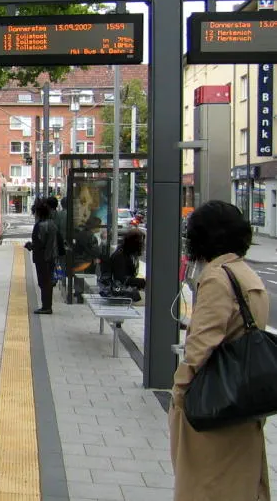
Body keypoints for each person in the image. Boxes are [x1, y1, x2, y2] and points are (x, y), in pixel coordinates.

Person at [169, 200, 270, 501]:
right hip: (244, 403)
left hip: (214, 407)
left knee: (206, 487)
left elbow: (200, 345)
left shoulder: (217, 278)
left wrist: (179, 393)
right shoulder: (246, 274)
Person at [24, 201, 57, 314]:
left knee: (43, 282)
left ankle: (46, 307)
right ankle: (47, 306)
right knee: (48, 282)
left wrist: (30, 246)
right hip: (51, 257)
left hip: (42, 258)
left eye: (35, 213)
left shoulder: (40, 226)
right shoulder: (52, 224)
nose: (34, 215)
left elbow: (39, 243)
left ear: (38, 213)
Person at [98, 229, 146, 302]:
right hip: (117, 293)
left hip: (122, 291)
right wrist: (142, 282)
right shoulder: (120, 256)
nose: (143, 245)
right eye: (141, 243)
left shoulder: (127, 253)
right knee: (150, 302)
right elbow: (121, 279)